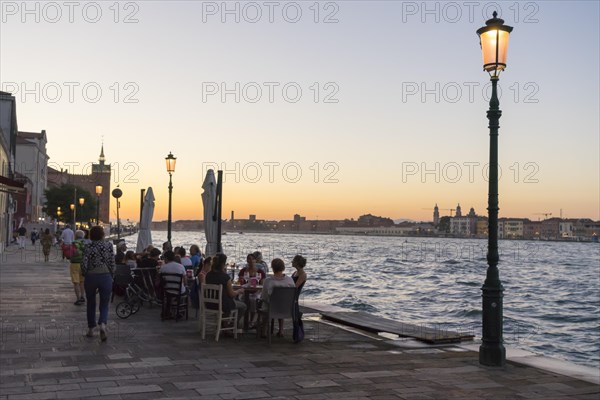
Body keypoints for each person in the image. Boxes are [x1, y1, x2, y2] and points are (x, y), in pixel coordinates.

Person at [81, 225, 115, 342]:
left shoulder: (87, 246)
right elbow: (112, 262)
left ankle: (91, 329)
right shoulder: (109, 245)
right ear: (102, 235)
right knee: (104, 303)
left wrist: (86, 274)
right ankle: (103, 325)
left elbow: (84, 263)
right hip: (105, 276)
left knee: (91, 303)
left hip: (91, 276)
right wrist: (112, 275)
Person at [205, 253, 246, 328]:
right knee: (243, 306)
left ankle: (224, 324)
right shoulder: (225, 277)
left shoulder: (208, 275)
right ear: (223, 264)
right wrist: (239, 291)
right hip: (222, 305)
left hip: (209, 304)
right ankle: (230, 326)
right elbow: (231, 294)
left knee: (229, 302)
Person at [260, 258, 295, 337]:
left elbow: (264, 297)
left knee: (266, 303)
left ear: (272, 268)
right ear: (283, 267)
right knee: (281, 302)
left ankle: (264, 330)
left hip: (272, 308)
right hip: (286, 308)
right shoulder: (290, 280)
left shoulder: (268, 281)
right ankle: (281, 330)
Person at [70, 230, 87, 305]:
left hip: (74, 264)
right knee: (82, 282)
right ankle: (82, 296)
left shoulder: (73, 243)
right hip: (83, 264)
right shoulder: (86, 243)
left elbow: (70, 254)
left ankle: (78, 299)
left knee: (76, 282)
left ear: (76, 236)